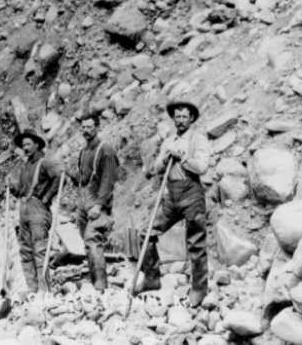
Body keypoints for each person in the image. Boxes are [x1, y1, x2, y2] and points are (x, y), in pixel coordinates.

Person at [135, 100, 210, 307]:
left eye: (185, 116)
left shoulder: (198, 139)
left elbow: (202, 167)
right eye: (177, 117)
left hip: (192, 193)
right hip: (171, 195)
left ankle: (199, 289)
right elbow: (156, 168)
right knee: (146, 232)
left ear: (191, 119)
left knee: (195, 242)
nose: (180, 120)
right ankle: (151, 278)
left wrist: (184, 158)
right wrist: (167, 156)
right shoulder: (168, 141)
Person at [6, 129, 62, 292]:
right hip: (23, 211)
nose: (26, 148)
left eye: (29, 144)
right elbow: (21, 192)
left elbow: (59, 178)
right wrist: (11, 188)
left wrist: (47, 198)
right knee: (25, 252)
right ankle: (32, 291)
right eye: (23, 145)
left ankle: (44, 291)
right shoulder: (25, 166)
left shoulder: (45, 163)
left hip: (38, 211)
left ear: (37, 145)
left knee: (39, 252)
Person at [68, 112, 119, 291]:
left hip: (98, 204)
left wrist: (98, 206)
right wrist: (67, 171)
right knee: (87, 243)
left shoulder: (106, 150)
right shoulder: (84, 151)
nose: (85, 131)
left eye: (89, 127)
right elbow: (82, 179)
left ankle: (100, 285)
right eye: (83, 128)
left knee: (91, 239)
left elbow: (109, 180)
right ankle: (94, 279)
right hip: (83, 204)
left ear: (97, 127)